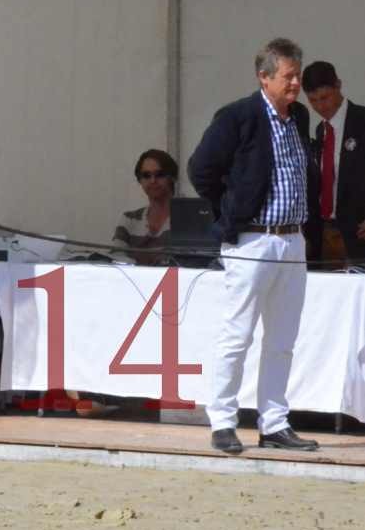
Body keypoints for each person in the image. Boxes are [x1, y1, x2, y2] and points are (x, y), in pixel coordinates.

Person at [188, 36, 320, 455]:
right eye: (288, 76)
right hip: (253, 239)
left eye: (297, 75)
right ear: (264, 77)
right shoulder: (238, 116)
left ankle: (275, 422)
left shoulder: (298, 117)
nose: (296, 83)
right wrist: (229, 211)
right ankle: (223, 421)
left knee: (282, 338)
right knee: (237, 334)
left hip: (291, 239)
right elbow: (201, 170)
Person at [300, 61, 365, 266]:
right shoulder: (321, 131)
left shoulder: (362, 120)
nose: (321, 106)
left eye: (325, 97)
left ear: (338, 85)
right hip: (326, 235)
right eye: (313, 101)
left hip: (359, 236)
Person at [113, 149, 178, 266]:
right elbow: (115, 261)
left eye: (159, 174)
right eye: (146, 175)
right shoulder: (129, 219)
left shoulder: (189, 218)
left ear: (172, 177)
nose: (153, 180)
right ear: (140, 180)